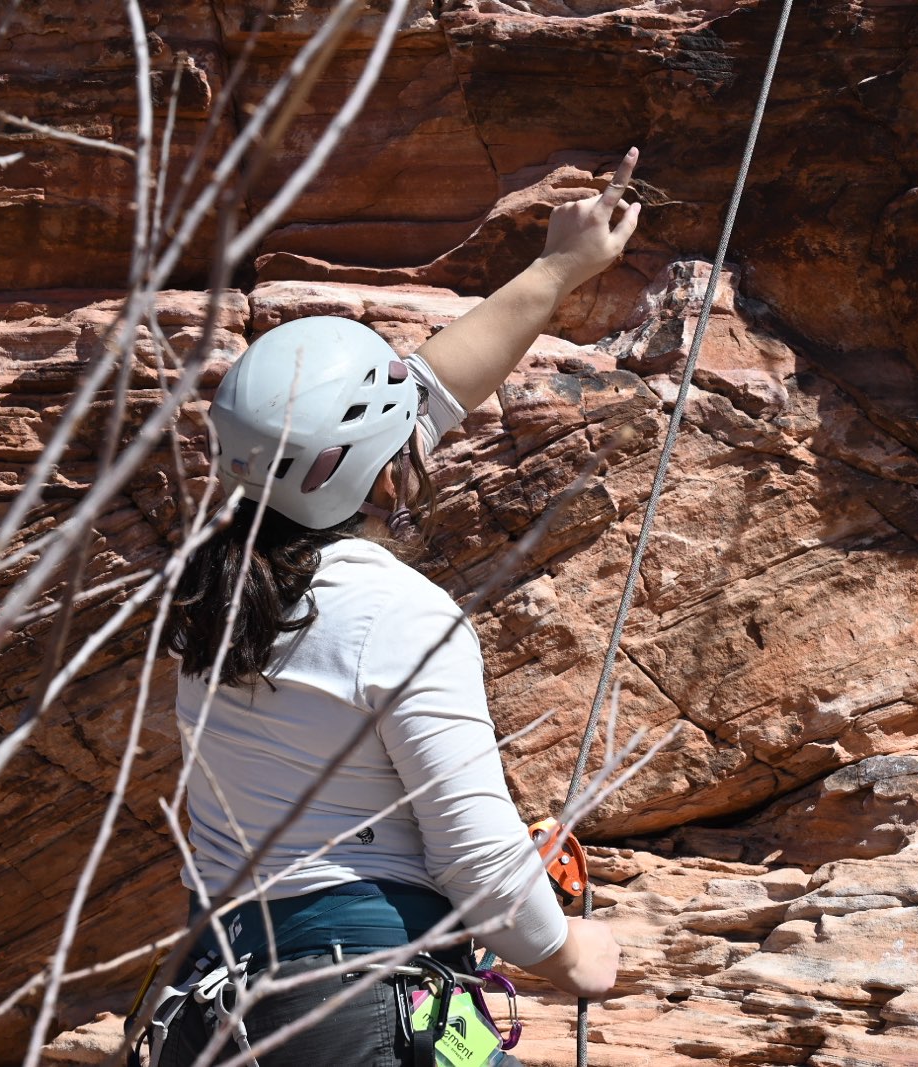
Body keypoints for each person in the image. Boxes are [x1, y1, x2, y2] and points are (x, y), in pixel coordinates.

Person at [148, 150, 642, 1066]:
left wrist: (560, 268)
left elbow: (426, 394)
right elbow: (483, 866)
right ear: (374, 464)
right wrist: (573, 955)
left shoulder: (220, 584)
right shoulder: (400, 618)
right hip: (357, 1011)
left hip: (215, 1009)